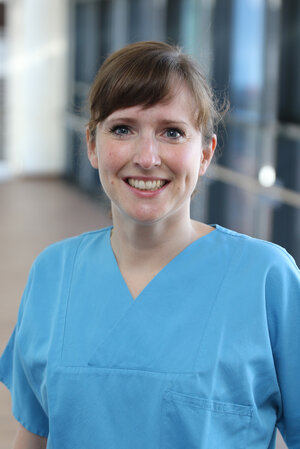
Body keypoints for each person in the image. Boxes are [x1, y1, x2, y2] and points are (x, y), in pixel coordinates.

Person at [0, 41, 299, 449]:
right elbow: (33, 436)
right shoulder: (53, 274)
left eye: (172, 132)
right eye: (123, 129)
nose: (146, 157)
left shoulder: (267, 280)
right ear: (91, 144)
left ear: (206, 154)